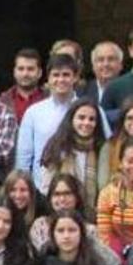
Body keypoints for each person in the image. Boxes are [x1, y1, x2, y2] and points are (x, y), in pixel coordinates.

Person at [16, 54, 80, 189]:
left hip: (79, 187)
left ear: (75, 77)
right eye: (56, 75)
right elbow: (24, 157)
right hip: (42, 189)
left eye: (66, 75)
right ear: (48, 78)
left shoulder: (88, 110)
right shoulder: (34, 112)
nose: (61, 79)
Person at [38, 97, 106, 217]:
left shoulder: (101, 149)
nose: (86, 123)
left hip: (93, 215)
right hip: (59, 216)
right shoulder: (57, 147)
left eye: (92, 119)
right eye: (81, 118)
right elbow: (46, 188)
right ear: (71, 119)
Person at [0, 48, 45, 124]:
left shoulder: (50, 98)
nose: (25, 74)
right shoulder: (2, 102)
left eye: (30, 69)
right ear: (14, 72)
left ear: (39, 73)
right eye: (21, 69)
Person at [82, 41, 123, 106]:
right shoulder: (81, 92)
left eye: (111, 59)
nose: (106, 64)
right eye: (100, 60)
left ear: (120, 65)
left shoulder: (129, 90)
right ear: (93, 66)